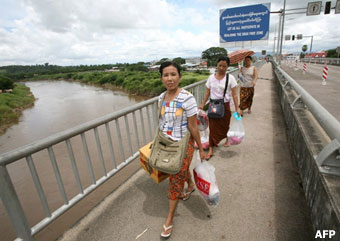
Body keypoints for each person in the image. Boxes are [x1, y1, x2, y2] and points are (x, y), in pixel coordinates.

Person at [158, 61, 206, 238]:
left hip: (184, 145)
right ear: (161, 78)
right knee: (180, 170)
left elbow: (193, 127)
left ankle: (169, 218)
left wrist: (201, 148)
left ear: (179, 76)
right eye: (166, 75)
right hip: (167, 144)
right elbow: (162, 123)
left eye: (173, 74)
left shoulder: (187, 98)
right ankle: (191, 184)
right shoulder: (161, 98)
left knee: (175, 179)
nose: (169, 78)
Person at [199, 56, 240, 160]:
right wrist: (203, 104)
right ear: (217, 65)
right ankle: (211, 148)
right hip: (213, 105)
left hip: (225, 105)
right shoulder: (211, 78)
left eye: (224, 66)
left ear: (228, 67)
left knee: (225, 125)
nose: (221, 68)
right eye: (220, 65)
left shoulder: (230, 78)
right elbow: (207, 93)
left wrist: (237, 108)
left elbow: (235, 95)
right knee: (212, 127)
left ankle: (227, 138)